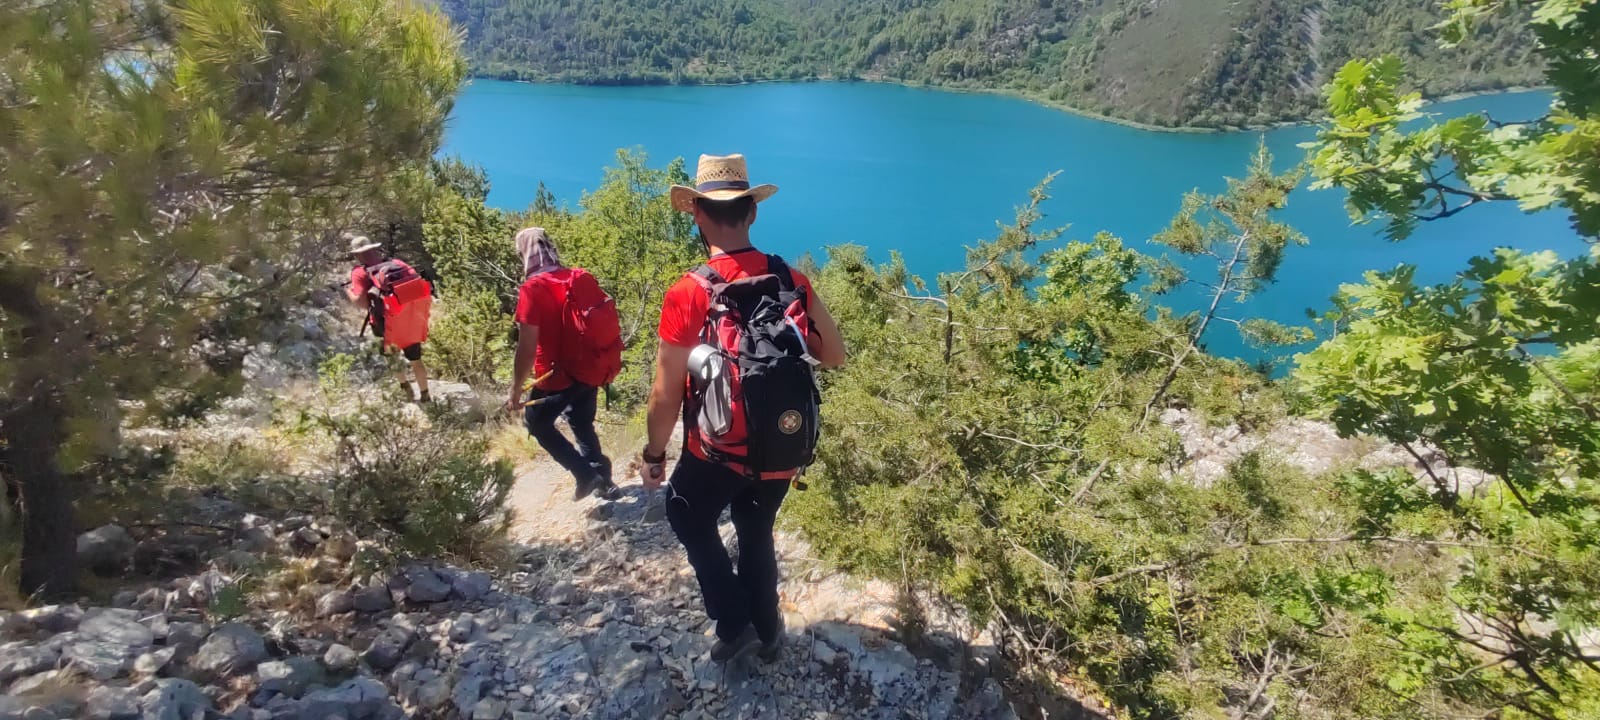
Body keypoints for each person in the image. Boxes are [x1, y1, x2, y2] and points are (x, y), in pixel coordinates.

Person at [639, 154, 846, 663]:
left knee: (685, 513)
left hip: (718, 452)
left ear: (696, 215)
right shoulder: (790, 279)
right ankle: (768, 629)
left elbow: (666, 393)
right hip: (782, 442)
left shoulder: (689, 292)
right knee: (756, 529)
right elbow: (835, 356)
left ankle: (734, 623)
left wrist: (654, 454)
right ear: (752, 212)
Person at [505, 228, 624, 502]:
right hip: (590, 367)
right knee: (581, 422)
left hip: (555, 375)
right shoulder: (577, 277)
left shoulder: (532, 289)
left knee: (537, 424)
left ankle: (584, 474)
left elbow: (526, 349)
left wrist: (515, 390)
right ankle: (604, 482)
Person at [346, 235, 433, 402]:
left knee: (392, 358)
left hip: (384, 324)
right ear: (374, 249)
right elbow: (417, 284)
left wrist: (349, 293)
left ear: (357, 255)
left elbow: (362, 303)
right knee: (416, 359)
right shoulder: (397, 263)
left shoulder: (360, 273)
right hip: (409, 319)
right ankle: (425, 395)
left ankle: (406, 389)